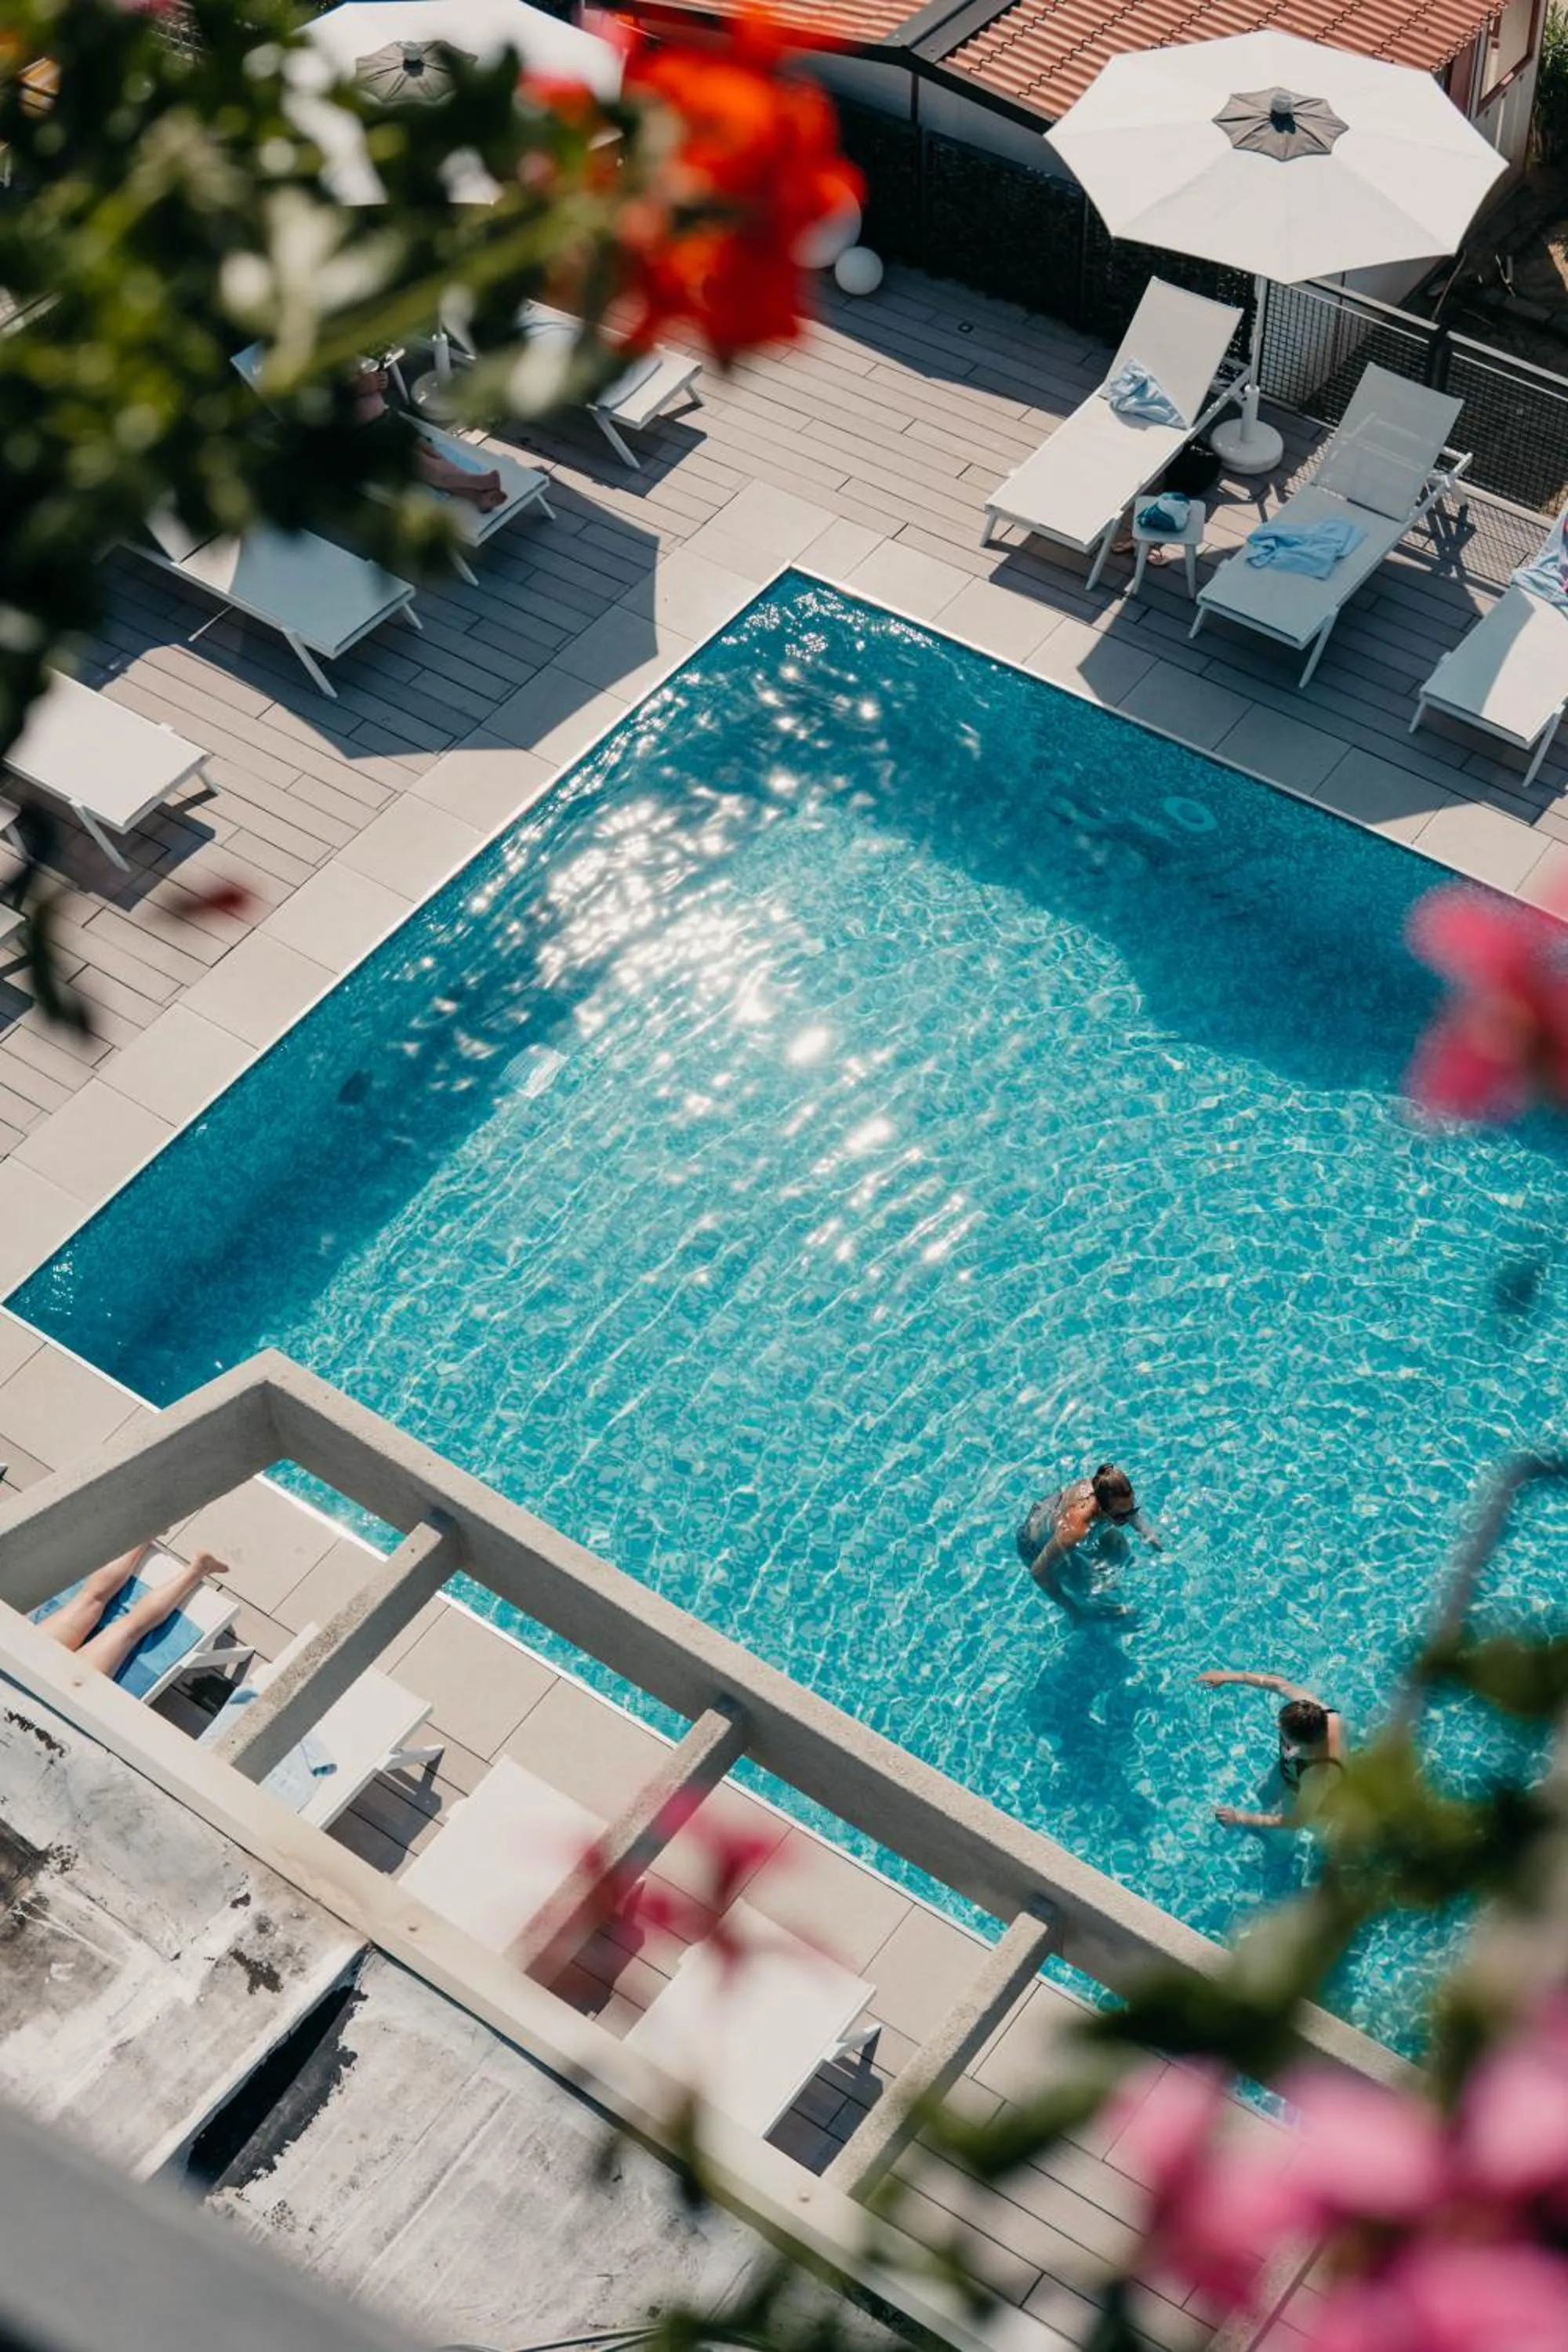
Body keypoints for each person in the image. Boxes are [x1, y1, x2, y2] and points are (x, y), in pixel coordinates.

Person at [40, 1539, 228, 1682]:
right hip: (24, 1661)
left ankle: (199, 1568)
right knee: (89, 1598)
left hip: (56, 1693)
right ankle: (146, 1535)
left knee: (131, 1628)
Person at [1196, 1667, 1345, 1828]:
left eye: (1282, 1730)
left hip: (1314, 1792)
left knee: (1279, 1837)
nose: (1276, 1725)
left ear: (1296, 1744)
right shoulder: (1320, 1714)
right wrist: (1226, 1676)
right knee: (1263, 1794)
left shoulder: (1315, 1777)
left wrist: (1240, 1818)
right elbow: (1278, 1684)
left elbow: (1297, 1822)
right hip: (1297, 1765)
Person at [350, 359, 506, 511]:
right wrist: (358, 388)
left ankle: (476, 497)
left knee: (431, 451)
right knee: (415, 460)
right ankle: (475, 482)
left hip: (388, 420)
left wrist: (378, 382)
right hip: (363, 436)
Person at [1017, 1463, 1161, 1619]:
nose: (1128, 1520)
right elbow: (1038, 1572)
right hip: (1035, 1546)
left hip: (1050, 1512)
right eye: (1120, 1516)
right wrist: (1071, 1608)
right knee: (1088, 1592)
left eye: (1131, 1509)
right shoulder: (1074, 1531)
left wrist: (1153, 1541)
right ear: (1101, 1508)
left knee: (1118, 1546)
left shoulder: (1105, 1487)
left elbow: (1127, 1512)